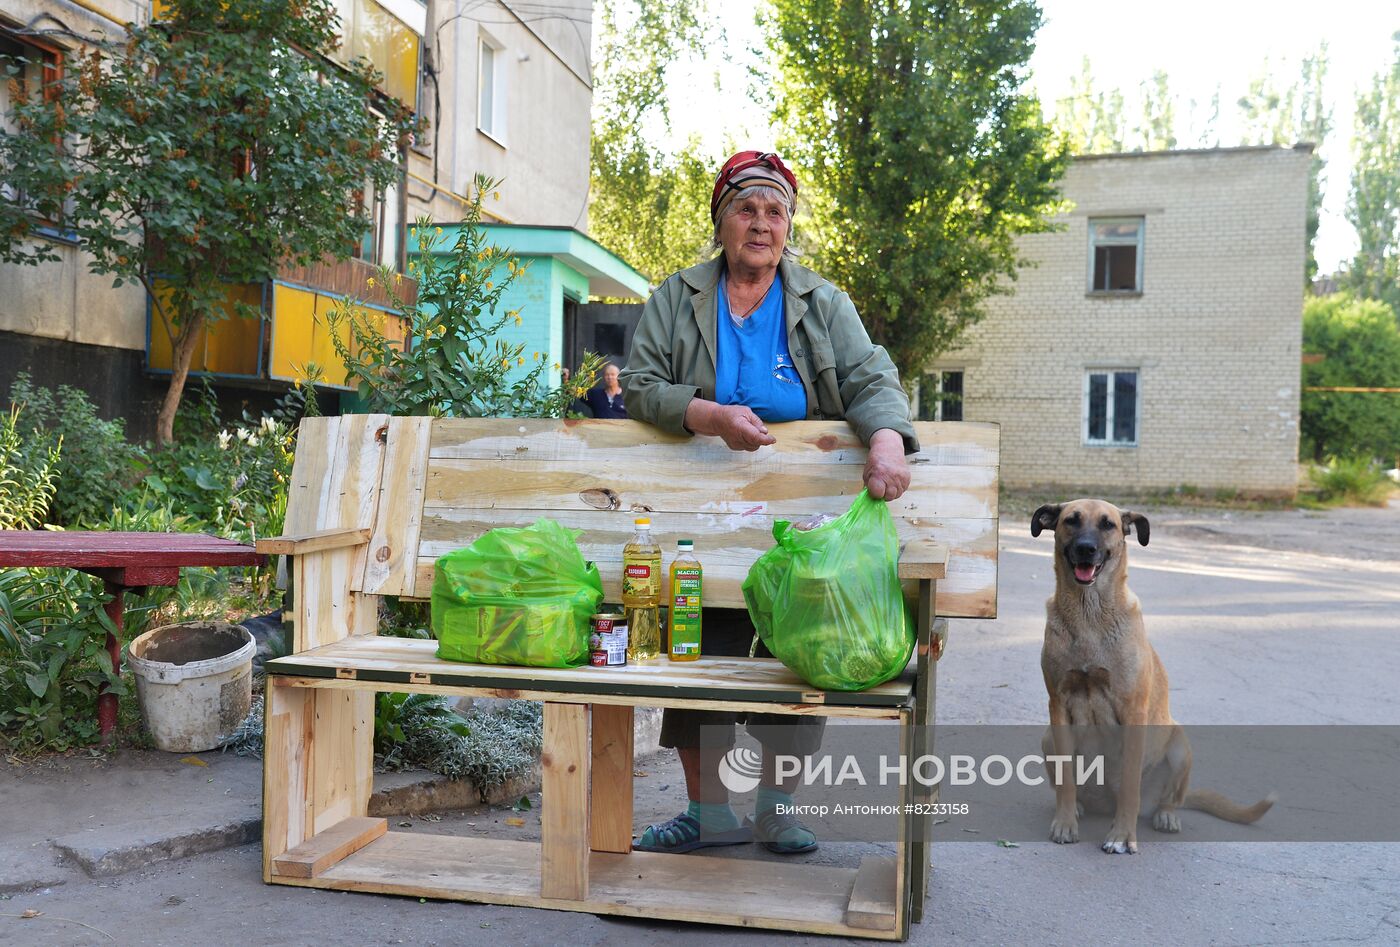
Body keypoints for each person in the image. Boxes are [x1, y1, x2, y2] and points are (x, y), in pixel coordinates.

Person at [621, 150, 918, 856]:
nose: (761, 223)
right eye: (746, 208)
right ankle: (710, 813)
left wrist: (886, 440)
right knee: (702, 645)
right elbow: (638, 382)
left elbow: (869, 375)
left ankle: (778, 808)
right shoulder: (679, 295)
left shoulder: (822, 301)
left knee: (801, 652)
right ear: (722, 220)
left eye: (774, 211)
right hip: (704, 514)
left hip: (798, 518)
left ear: (788, 227)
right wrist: (708, 415)